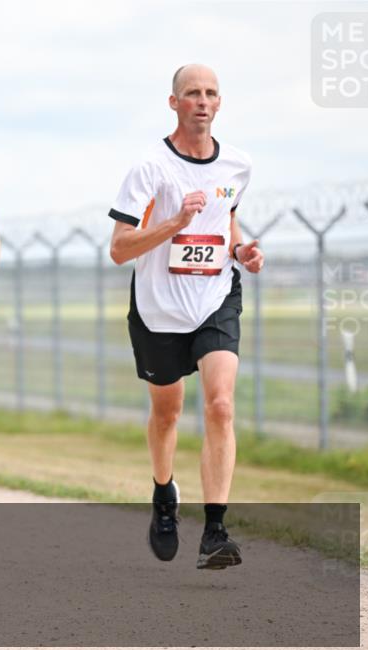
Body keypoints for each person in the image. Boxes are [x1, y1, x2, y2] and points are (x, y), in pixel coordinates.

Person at [108, 64, 264, 569]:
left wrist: (242, 251)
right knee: (167, 412)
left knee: (220, 404)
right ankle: (163, 495)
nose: (202, 100)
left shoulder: (237, 165)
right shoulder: (151, 169)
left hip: (216, 297)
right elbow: (118, 249)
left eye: (211, 93)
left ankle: (216, 529)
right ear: (173, 103)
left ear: (220, 103)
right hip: (159, 307)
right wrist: (175, 222)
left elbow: (228, 221)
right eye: (192, 93)